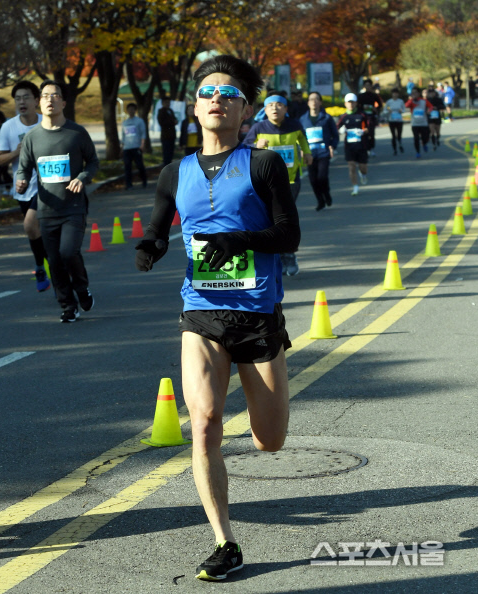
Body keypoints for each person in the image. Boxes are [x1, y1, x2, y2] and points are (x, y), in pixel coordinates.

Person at [135, 54, 298, 581]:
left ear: (245, 109)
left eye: (228, 93)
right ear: (194, 108)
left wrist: (237, 240)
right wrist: (150, 245)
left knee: (268, 440)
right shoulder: (174, 172)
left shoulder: (264, 164)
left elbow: (288, 236)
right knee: (203, 422)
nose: (217, 100)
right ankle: (224, 540)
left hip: (257, 315)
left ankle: (261, 425)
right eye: (208, 93)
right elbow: (161, 227)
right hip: (202, 312)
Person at [16, 80, 99, 323]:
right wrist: (21, 181)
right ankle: (67, 305)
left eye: (55, 95)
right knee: (54, 260)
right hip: (46, 209)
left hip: (73, 206)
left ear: (63, 102)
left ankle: (82, 289)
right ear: (39, 103)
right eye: (45, 96)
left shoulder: (77, 133)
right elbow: (24, 169)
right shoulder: (32, 137)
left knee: (68, 252)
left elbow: (93, 162)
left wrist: (82, 178)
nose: (50, 100)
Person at [243, 94, 311, 276]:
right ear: (265, 110)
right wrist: (257, 144)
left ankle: (289, 255)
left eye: (279, 105)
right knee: (271, 219)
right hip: (266, 182)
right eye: (270, 105)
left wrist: (307, 152)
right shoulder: (258, 127)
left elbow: (303, 140)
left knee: (285, 218)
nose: (275, 108)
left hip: (291, 179)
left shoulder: (294, 125)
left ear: (286, 109)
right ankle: (279, 256)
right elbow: (244, 148)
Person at [0, 82, 50, 292]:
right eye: (18, 98)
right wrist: (17, 152)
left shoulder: (46, 123)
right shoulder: (9, 127)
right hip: (23, 187)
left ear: (36, 100)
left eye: (26, 97)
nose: (21, 102)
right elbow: (0, 159)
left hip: (47, 185)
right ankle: (42, 266)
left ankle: (52, 268)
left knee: (30, 225)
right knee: (34, 231)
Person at [299, 90, 339, 210]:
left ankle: (326, 194)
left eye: (316, 99)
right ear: (308, 103)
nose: (314, 102)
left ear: (320, 102)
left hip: (323, 152)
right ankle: (320, 200)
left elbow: (335, 135)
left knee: (322, 177)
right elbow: (299, 137)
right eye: (311, 99)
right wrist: (301, 150)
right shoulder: (302, 119)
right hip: (309, 153)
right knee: (313, 179)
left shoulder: (326, 118)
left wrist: (332, 146)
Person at [336, 93, 368, 195]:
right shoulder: (343, 117)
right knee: (351, 166)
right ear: (345, 104)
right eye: (349, 102)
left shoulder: (362, 115)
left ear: (356, 103)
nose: (351, 105)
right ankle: (355, 187)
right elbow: (336, 128)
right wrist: (340, 130)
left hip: (361, 145)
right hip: (349, 146)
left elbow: (368, 128)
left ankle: (363, 174)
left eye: (353, 102)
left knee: (363, 167)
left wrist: (363, 131)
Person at [121, 102, 147, 190]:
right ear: (127, 111)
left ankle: (144, 181)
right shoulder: (125, 122)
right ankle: (128, 184)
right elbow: (123, 135)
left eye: (132, 109)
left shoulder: (139, 121)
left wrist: (142, 144)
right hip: (127, 148)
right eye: (129, 109)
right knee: (127, 166)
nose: (130, 111)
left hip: (136, 147)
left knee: (140, 165)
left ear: (135, 110)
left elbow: (143, 133)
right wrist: (122, 146)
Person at [357, 78, 383, 156]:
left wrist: (375, 109)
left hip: (371, 117)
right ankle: (365, 148)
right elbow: (358, 106)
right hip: (363, 117)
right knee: (364, 133)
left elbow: (380, 105)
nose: (368, 87)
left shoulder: (374, 95)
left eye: (369, 85)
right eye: (366, 85)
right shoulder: (361, 96)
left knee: (371, 133)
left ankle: (371, 148)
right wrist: (362, 108)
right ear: (364, 86)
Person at [405, 87, 432, 158]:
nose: (414, 94)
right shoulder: (411, 101)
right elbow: (406, 106)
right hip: (415, 123)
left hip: (423, 123)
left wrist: (429, 111)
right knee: (416, 138)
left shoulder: (423, 101)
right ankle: (418, 152)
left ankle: (424, 143)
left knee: (425, 137)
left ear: (418, 93)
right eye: (412, 93)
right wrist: (412, 100)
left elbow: (430, 106)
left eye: (415, 93)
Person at [383, 88, 405, 155]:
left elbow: (404, 109)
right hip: (391, 120)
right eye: (394, 93)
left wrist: (401, 111)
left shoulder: (401, 101)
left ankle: (400, 144)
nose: (395, 94)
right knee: (393, 135)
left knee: (399, 134)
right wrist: (388, 111)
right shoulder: (389, 102)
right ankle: (395, 149)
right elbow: (384, 110)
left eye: (396, 93)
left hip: (399, 120)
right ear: (392, 94)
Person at [157, 97, 177, 165]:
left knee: (171, 152)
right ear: (162, 103)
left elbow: (175, 119)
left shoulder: (170, 110)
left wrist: (174, 121)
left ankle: (170, 164)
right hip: (165, 136)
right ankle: (166, 166)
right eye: (166, 102)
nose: (167, 104)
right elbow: (162, 122)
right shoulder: (161, 111)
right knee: (166, 153)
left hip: (172, 135)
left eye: (168, 102)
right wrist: (172, 122)